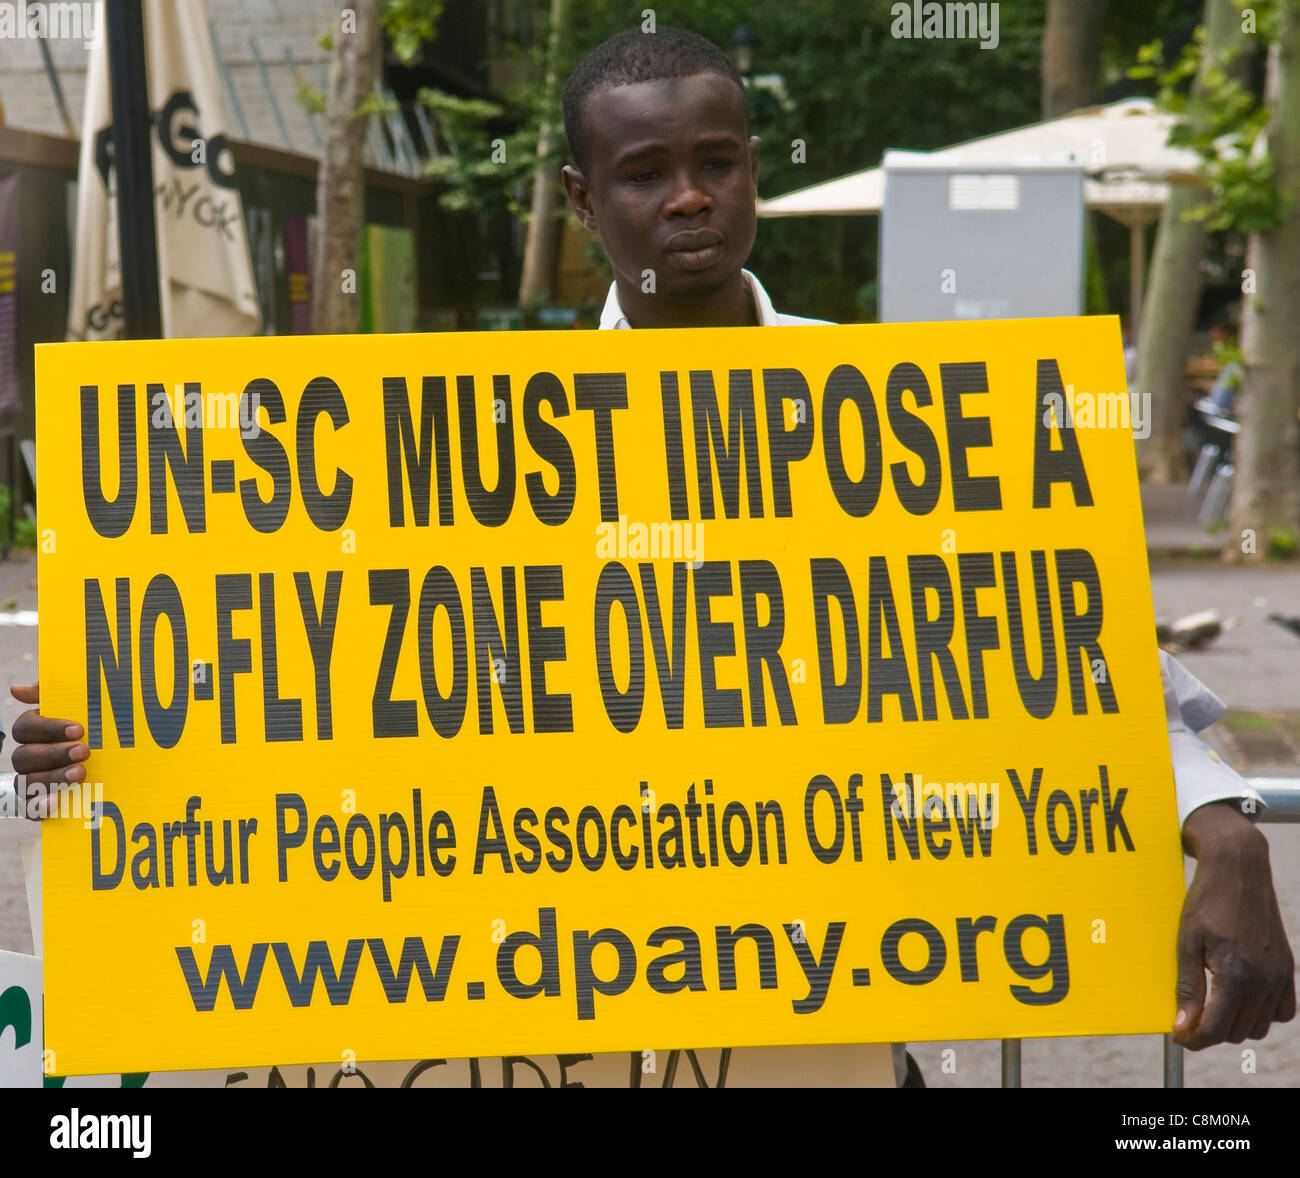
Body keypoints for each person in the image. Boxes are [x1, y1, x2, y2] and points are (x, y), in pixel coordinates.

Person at [10, 25, 1294, 1081]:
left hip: (827, 1036)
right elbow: (321, 691)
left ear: (751, 176)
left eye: (718, 162)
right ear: (580, 198)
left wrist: (1227, 827)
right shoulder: (472, 452)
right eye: (644, 171)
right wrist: (85, 757)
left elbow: (1077, 660)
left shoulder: (907, 407)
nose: (688, 194)